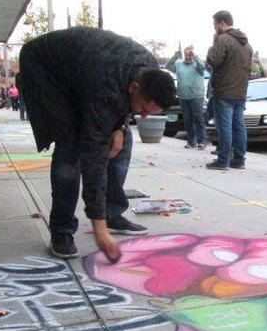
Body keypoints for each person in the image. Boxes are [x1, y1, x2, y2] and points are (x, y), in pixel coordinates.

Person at [17, 26, 177, 262]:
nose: (142, 116)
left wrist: (121, 126)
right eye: (142, 109)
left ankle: (112, 213)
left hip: (84, 70)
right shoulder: (105, 84)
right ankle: (62, 230)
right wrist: (98, 230)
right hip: (47, 73)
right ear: (134, 88)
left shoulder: (147, 68)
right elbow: (94, 159)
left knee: (122, 140)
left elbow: (122, 104)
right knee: (70, 146)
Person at [205, 10, 253, 170]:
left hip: (224, 91)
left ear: (221, 23)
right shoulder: (246, 44)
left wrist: (214, 44)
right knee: (239, 126)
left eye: (215, 25)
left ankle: (223, 160)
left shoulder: (223, 39)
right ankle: (239, 159)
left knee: (224, 127)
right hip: (240, 92)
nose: (214, 28)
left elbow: (212, 60)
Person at [169, 45, 208, 149]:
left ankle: (202, 141)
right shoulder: (178, 64)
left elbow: (203, 66)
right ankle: (191, 142)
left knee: (198, 119)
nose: (188, 57)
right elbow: (169, 66)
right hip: (183, 96)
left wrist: (195, 55)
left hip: (197, 96)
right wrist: (175, 55)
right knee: (187, 120)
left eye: (190, 55)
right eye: (186, 55)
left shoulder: (198, 65)